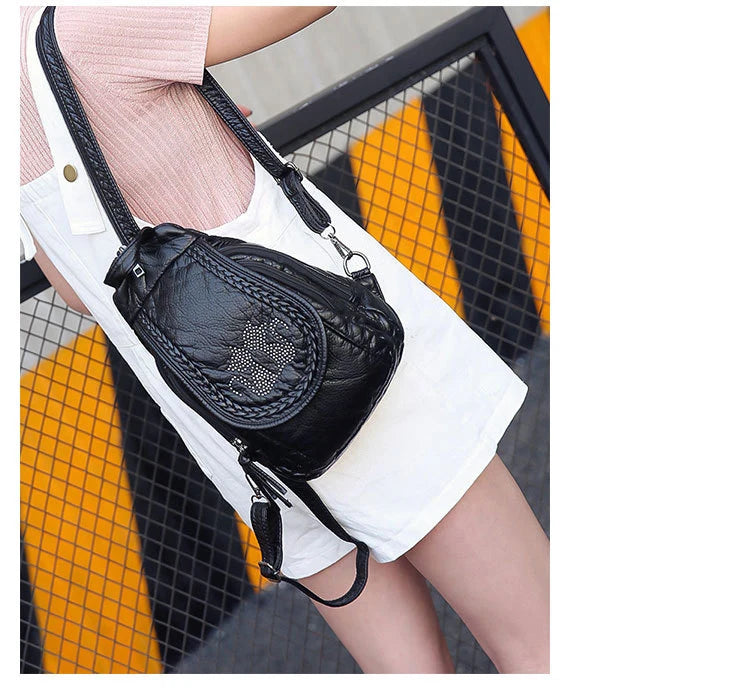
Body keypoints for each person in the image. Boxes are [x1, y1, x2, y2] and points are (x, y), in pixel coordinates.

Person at [20, 6, 549, 673]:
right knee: (542, 640)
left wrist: (174, 148)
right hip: (337, 364)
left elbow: (79, 290)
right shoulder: (91, 24)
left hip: (245, 432)